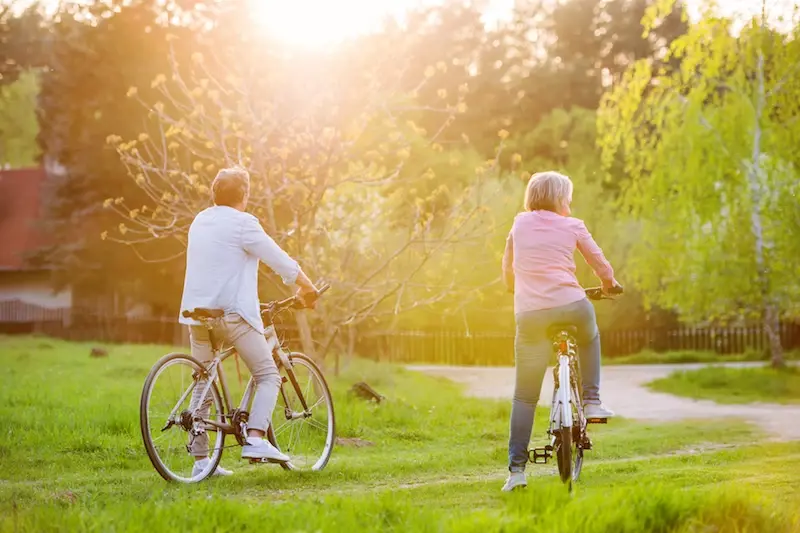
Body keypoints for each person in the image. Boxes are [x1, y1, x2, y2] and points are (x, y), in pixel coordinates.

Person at [179, 166, 318, 477]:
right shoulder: (243, 223)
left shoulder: (200, 220)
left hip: (196, 315)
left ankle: (201, 462)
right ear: (244, 195)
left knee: (203, 382)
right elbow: (279, 259)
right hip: (232, 315)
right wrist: (307, 287)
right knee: (269, 375)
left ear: (214, 194)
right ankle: (255, 437)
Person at [500, 171, 620, 492]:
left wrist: (513, 286)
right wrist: (609, 284)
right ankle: (592, 401)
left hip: (530, 315)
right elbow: (599, 263)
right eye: (567, 197)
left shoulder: (519, 224)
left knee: (524, 397)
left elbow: (508, 267)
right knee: (589, 336)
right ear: (559, 199)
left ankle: (516, 472)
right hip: (572, 306)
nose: (570, 202)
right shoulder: (573, 225)